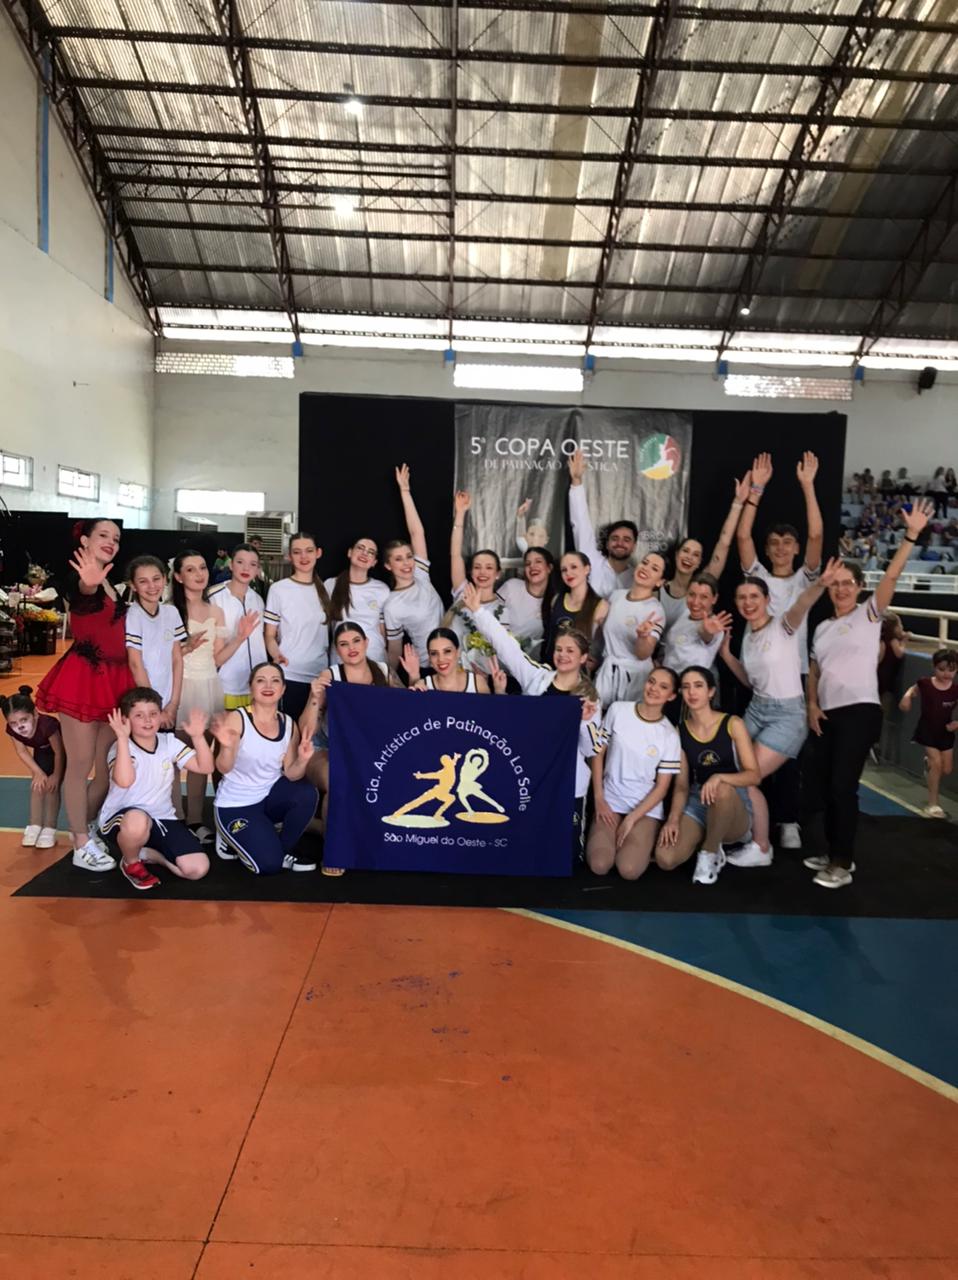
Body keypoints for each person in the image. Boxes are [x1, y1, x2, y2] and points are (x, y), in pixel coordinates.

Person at [805, 499, 933, 888]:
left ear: (860, 588)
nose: (841, 589)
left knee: (843, 786)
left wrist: (910, 536)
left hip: (860, 712)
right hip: (827, 714)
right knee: (826, 786)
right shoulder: (822, 628)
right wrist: (812, 704)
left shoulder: (869, 614)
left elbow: (891, 576)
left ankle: (842, 863)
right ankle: (833, 850)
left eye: (849, 583)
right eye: (836, 583)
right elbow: (815, 670)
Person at [462, 583, 602, 858]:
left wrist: (585, 722)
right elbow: (508, 648)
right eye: (559, 649)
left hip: (569, 783)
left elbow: (592, 750)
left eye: (570, 651)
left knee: (567, 855)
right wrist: (478, 611)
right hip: (532, 777)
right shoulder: (537, 677)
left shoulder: (591, 698)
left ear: (583, 657)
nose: (562, 655)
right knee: (527, 848)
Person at [720, 559, 841, 863]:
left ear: (767, 600)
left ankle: (761, 847)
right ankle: (742, 830)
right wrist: (726, 655)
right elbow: (751, 680)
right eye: (742, 598)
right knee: (727, 764)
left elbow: (802, 604)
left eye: (754, 597)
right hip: (757, 708)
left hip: (787, 715)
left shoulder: (783, 626)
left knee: (747, 776)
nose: (748, 603)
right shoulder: (749, 636)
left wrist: (821, 583)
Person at [735, 449, 824, 851]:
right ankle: (748, 822)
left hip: (795, 675)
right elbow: (742, 537)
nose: (781, 548)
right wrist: (755, 491)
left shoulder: (805, 579)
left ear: (796, 548)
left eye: (788, 542)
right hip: (755, 673)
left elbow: (817, 536)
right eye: (774, 543)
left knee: (788, 759)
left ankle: (787, 821)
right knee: (746, 755)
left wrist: (807, 486)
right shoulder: (758, 579)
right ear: (768, 550)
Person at [36, 518, 133, 872]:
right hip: (84, 680)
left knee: (105, 769)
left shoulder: (110, 582)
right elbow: (82, 594)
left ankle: (87, 826)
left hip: (116, 682)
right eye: (103, 535)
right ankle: (79, 843)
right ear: (85, 541)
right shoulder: (83, 579)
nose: (111, 541)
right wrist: (88, 583)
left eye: (116, 538)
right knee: (80, 765)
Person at [299, 621, 398, 874]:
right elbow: (306, 730)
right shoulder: (330, 676)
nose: (351, 648)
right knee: (338, 782)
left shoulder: (384, 671)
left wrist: (416, 685)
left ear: (366, 642)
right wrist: (314, 697)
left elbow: (405, 709)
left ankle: (312, 825)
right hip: (327, 749)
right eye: (343, 644)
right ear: (337, 650)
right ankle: (334, 851)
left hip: (370, 753)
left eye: (356, 641)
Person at [655, 666, 761, 886]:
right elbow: (682, 785)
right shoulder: (680, 731)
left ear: (711, 691)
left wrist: (720, 777)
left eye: (698, 686)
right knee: (665, 859)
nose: (692, 692)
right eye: (686, 687)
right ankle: (709, 834)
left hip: (733, 803)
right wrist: (673, 819)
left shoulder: (733, 724)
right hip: (699, 800)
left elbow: (754, 776)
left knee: (721, 790)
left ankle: (709, 852)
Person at [98, 689, 212, 891]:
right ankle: (131, 862)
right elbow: (124, 781)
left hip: (162, 818)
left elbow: (205, 767)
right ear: (126, 720)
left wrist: (197, 737)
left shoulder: (169, 742)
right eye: (139, 715)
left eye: (153, 714)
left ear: (161, 716)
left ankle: (149, 854)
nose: (148, 720)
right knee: (137, 820)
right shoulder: (120, 747)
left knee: (197, 869)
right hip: (122, 820)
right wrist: (122, 738)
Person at [212, 661, 319, 874]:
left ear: (283, 688)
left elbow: (292, 774)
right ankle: (228, 836)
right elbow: (224, 767)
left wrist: (303, 759)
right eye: (261, 680)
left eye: (275, 681)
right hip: (236, 804)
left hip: (269, 798)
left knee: (307, 793)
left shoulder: (288, 723)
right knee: (268, 866)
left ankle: (281, 849)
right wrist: (227, 747)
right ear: (251, 687)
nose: (268, 686)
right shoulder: (237, 719)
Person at [586, 667, 682, 880]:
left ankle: (644, 837)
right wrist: (599, 798)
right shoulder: (618, 710)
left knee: (629, 869)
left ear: (671, 696)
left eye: (663, 687)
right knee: (599, 864)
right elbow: (598, 753)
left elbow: (662, 787)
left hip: (644, 809)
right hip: (610, 800)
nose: (654, 689)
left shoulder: (669, 735)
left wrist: (631, 819)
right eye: (652, 682)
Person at [171, 550, 227, 841]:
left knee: (199, 757)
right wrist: (185, 649)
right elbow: (160, 658)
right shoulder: (169, 610)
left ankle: (194, 819)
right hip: (179, 687)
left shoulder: (216, 611)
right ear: (178, 576)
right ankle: (172, 817)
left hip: (209, 687)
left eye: (202, 567)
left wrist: (241, 638)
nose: (199, 574)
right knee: (172, 757)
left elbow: (218, 658)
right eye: (190, 569)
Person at [658, 472, 752, 627]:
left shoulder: (704, 582)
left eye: (696, 555)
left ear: (699, 562)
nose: (689, 557)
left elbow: (724, 543)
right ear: (676, 554)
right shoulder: (658, 587)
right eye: (686, 551)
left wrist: (738, 503)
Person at [383, 464, 444, 672]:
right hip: (428, 667)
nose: (407, 563)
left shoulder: (421, 575)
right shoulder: (392, 605)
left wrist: (405, 491)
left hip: (454, 660)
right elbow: (394, 650)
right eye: (398, 559)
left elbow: (417, 533)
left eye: (409, 556)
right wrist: (390, 680)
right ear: (388, 565)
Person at [264, 531, 330, 722]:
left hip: (320, 677)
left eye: (309, 551)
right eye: (297, 552)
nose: (304, 557)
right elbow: (269, 635)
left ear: (318, 553)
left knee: (313, 735)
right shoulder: (278, 589)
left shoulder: (327, 589)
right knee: (289, 732)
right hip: (289, 674)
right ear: (289, 556)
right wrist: (276, 655)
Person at [446, 491, 512, 674]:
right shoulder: (463, 591)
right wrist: (460, 513)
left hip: (483, 678)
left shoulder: (502, 609)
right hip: (451, 671)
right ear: (470, 571)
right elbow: (455, 554)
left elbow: (502, 650)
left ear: (498, 574)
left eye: (489, 568)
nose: (483, 572)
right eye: (477, 567)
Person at [595, 553, 666, 708]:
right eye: (645, 562)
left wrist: (643, 637)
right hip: (608, 672)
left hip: (635, 679)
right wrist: (597, 620)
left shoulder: (655, 610)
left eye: (654, 568)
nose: (646, 568)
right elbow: (603, 635)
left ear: (660, 581)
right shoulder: (616, 596)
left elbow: (643, 654)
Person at [567, 448, 639, 596]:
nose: (620, 543)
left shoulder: (638, 577)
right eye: (615, 538)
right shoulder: (592, 562)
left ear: (634, 546)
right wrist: (576, 481)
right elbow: (580, 523)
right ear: (607, 544)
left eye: (626, 539)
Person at [125, 555, 186, 729]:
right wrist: (154, 708)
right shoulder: (133, 615)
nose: (152, 586)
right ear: (133, 585)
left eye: (156, 579)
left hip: (168, 703)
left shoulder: (171, 612)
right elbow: (135, 663)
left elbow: (177, 659)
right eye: (143, 581)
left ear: (165, 579)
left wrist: (173, 703)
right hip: (144, 705)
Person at [899, 648, 958, 819]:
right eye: (941, 669)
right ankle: (933, 804)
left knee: (946, 769)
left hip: (945, 732)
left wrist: (956, 724)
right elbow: (912, 690)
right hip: (927, 730)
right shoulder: (925, 684)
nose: (946, 674)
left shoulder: (955, 690)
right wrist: (907, 697)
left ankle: (928, 765)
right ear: (934, 667)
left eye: (951, 670)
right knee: (937, 763)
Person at [2, 685, 63, 849]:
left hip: (64, 752)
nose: (19, 727)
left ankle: (50, 828)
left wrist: (56, 775)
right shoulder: (12, 731)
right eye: (13, 723)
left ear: (35, 714)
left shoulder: (47, 725)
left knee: (52, 788)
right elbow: (21, 751)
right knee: (37, 785)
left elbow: (59, 753)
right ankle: (34, 826)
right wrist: (38, 772)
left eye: (24, 720)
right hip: (43, 752)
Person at [208, 543, 268, 710]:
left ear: (257, 570)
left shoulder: (258, 600)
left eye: (252, 564)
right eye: (240, 562)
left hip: (257, 686)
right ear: (231, 564)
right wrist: (239, 637)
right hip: (227, 685)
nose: (246, 568)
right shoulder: (214, 597)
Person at [325, 536, 390, 665]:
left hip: (374, 658)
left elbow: (382, 630)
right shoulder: (331, 585)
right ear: (350, 553)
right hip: (341, 660)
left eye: (371, 552)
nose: (365, 553)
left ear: (374, 562)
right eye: (360, 548)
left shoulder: (381, 589)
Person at [660, 573, 732, 685]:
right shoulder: (685, 613)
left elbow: (707, 636)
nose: (695, 602)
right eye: (692, 594)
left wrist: (707, 631)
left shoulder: (715, 626)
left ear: (714, 599)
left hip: (688, 687)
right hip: (667, 681)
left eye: (704, 597)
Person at [543, 552, 609, 658]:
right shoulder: (556, 600)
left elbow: (603, 646)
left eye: (573, 567)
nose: (568, 573)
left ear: (587, 569)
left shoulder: (601, 606)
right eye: (564, 570)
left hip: (579, 666)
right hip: (551, 664)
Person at [400, 628, 497, 693]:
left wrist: (499, 690)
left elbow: (488, 716)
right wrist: (414, 679)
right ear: (429, 657)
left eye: (447, 651)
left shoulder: (477, 682)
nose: (441, 659)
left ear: (457, 652)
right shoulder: (423, 686)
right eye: (434, 653)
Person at [498, 546, 554, 659]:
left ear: (549, 568)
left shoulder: (555, 602)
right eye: (528, 563)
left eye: (538, 561)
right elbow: (491, 615)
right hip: (496, 655)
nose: (532, 566)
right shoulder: (511, 587)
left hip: (528, 664)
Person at [875, 611, 907, 764]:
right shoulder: (892, 640)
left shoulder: (881, 641)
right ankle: (877, 745)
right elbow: (899, 654)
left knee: (879, 712)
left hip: (880, 679)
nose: (902, 628)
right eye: (899, 625)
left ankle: (875, 744)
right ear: (893, 628)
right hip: (886, 682)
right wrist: (904, 642)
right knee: (882, 713)